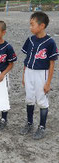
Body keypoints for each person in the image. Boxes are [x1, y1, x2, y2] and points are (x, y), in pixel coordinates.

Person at [20, 12, 58, 140]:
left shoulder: (50, 42)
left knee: (41, 100)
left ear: (42, 25)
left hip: (42, 73)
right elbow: (26, 59)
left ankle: (42, 127)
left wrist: (48, 83)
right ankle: (29, 123)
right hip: (29, 72)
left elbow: (52, 64)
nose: (30, 27)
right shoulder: (30, 39)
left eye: (32, 24)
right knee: (29, 98)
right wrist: (24, 75)